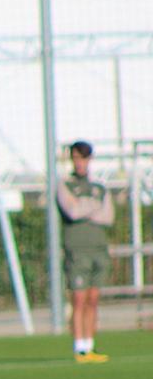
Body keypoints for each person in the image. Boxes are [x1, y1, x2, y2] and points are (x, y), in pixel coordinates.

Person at [57, 140, 114, 363]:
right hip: (77, 249)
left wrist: (84, 206)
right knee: (78, 298)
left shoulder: (99, 187)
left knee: (93, 298)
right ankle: (79, 348)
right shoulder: (65, 185)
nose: (80, 162)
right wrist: (92, 206)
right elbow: (72, 211)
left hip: (98, 248)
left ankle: (89, 346)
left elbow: (107, 217)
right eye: (76, 158)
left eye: (83, 158)